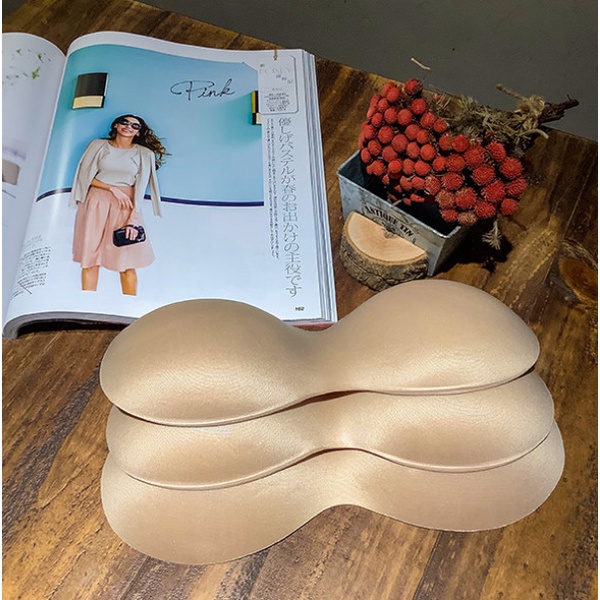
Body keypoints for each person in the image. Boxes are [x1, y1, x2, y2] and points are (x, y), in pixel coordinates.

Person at [70, 114, 167, 295]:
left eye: (135, 126)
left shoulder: (144, 154)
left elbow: (140, 188)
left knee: (127, 263)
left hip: (125, 207)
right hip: (95, 204)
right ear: (116, 125)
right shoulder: (98, 146)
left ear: (139, 132)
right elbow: (84, 177)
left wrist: (133, 218)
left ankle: (129, 304)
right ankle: (86, 302)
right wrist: (112, 189)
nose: (128, 126)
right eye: (124, 122)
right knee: (90, 260)